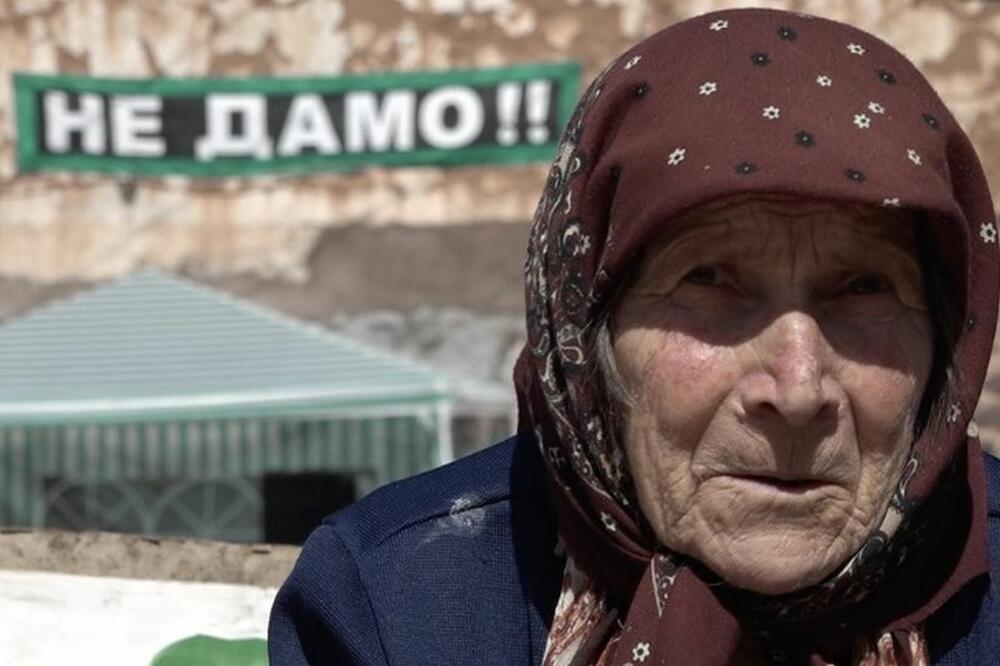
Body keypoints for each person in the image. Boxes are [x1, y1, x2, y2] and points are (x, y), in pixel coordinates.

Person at [269, 7, 1000, 664]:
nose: (799, 388)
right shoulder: (399, 604)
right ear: (589, 334)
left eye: (865, 288)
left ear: (946, 337)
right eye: (709, 282)